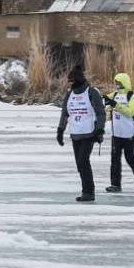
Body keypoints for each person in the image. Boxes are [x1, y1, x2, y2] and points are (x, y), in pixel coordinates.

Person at [56, 65, 106, 202]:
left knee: (83, 162)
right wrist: (60, 130)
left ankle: (89, 192)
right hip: (75, 134)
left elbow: (100, 112)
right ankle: (87, 190)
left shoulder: (92, 92)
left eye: (71, 81)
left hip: (89, 134)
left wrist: (100, 129)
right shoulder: (69, 94)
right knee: (80, 164)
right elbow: (65, 113)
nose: (70, 83)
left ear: (78, 80)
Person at [100, 72, 134, 193]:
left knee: (129, 157)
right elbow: (103, 101)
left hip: (129, 132)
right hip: (116, 132)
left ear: (124, 83)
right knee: (115, 158)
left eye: (119, 83)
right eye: (115, 83)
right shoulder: (114, 94)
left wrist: (116, 105)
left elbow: (130, 112)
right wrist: (103, 101)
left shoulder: (133, 97)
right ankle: (115, 184)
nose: (117, 85)